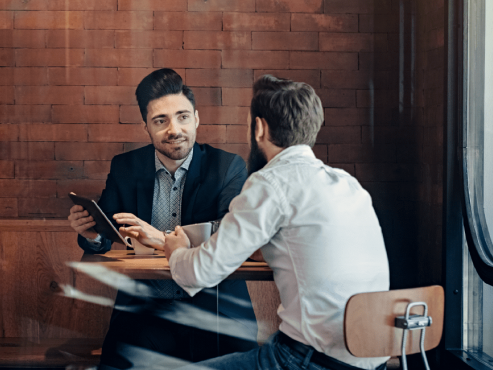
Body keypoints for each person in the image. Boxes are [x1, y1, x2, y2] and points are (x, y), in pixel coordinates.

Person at [164, 75, 390, 370]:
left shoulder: (271, 183)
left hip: (310, 361)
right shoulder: (348, 184)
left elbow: (200, 272)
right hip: (371, 358)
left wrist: (177, 250)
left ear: (259, 128)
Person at [67, 68, 258, 370]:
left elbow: (232, 235)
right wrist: (92, 234)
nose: (174, 129)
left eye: (183, 117)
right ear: (145, 126)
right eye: (160, 120)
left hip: (215, 311)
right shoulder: (125, 167)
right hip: (146, 313)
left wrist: (162, 239)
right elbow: (104, 230)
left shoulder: (227, 167)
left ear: (196, 119)